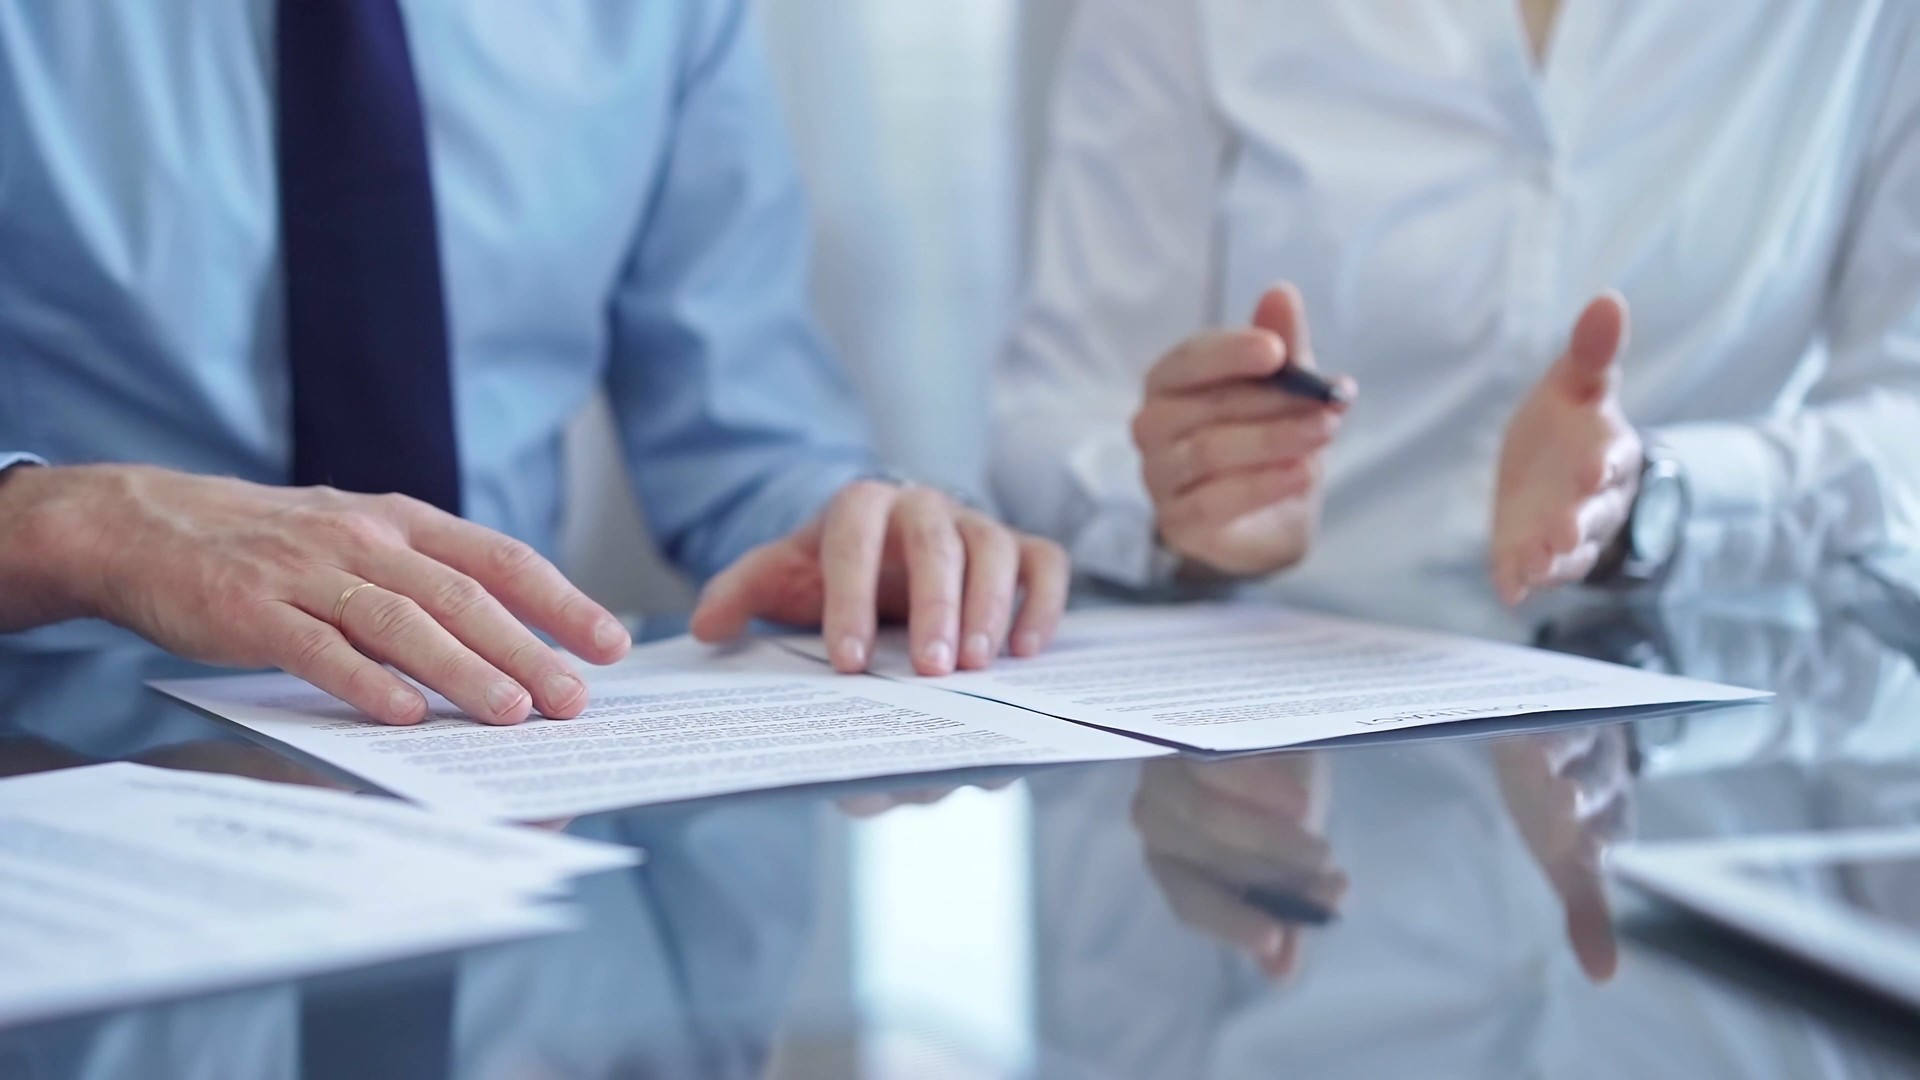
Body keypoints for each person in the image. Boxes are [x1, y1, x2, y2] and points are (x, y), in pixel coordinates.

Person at [0, 1, 1068, 727]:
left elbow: (745, 430)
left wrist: (853, 529)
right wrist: (69, 527)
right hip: (57, 760)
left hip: (491, 751)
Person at [994, 0, 1920, 609]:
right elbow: (1049, 416)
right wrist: (1181, 506)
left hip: (1712, 761)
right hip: (1264, 768)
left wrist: (1657, 500)